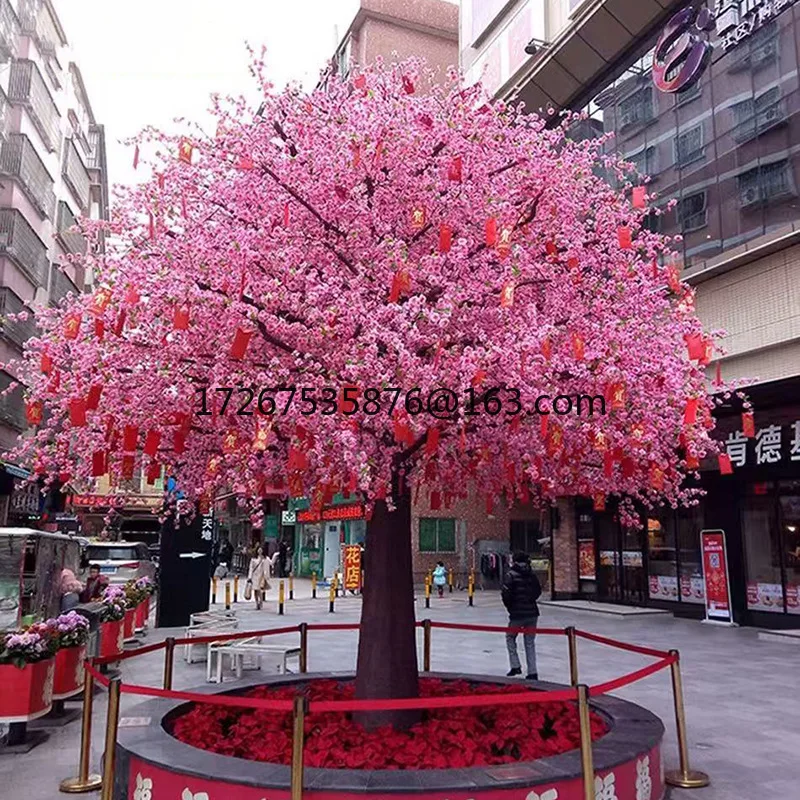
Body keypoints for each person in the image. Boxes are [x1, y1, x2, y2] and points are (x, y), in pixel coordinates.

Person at [501, 551, 542, 680]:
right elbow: (538, 591)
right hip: (532, 613)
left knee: (510, 637)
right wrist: (530, 601)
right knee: (530, 642)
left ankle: (515, 665)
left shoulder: (510, 575)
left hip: (517, 614)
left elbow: (506, 595)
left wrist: (511, 608)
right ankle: (532, 671)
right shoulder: (532, 575)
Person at [247, 546, 275, 610]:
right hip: (255, 576)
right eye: (258, 550)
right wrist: (249, 577)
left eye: (261, 550)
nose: (260, 551)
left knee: (259, 590)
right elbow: (251, 568)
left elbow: (271, 563)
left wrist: (275, 556)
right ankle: (257, 603)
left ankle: (261, 602)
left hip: (261, 576)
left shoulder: (265, 558)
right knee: (255, 590)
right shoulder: (253, 559)